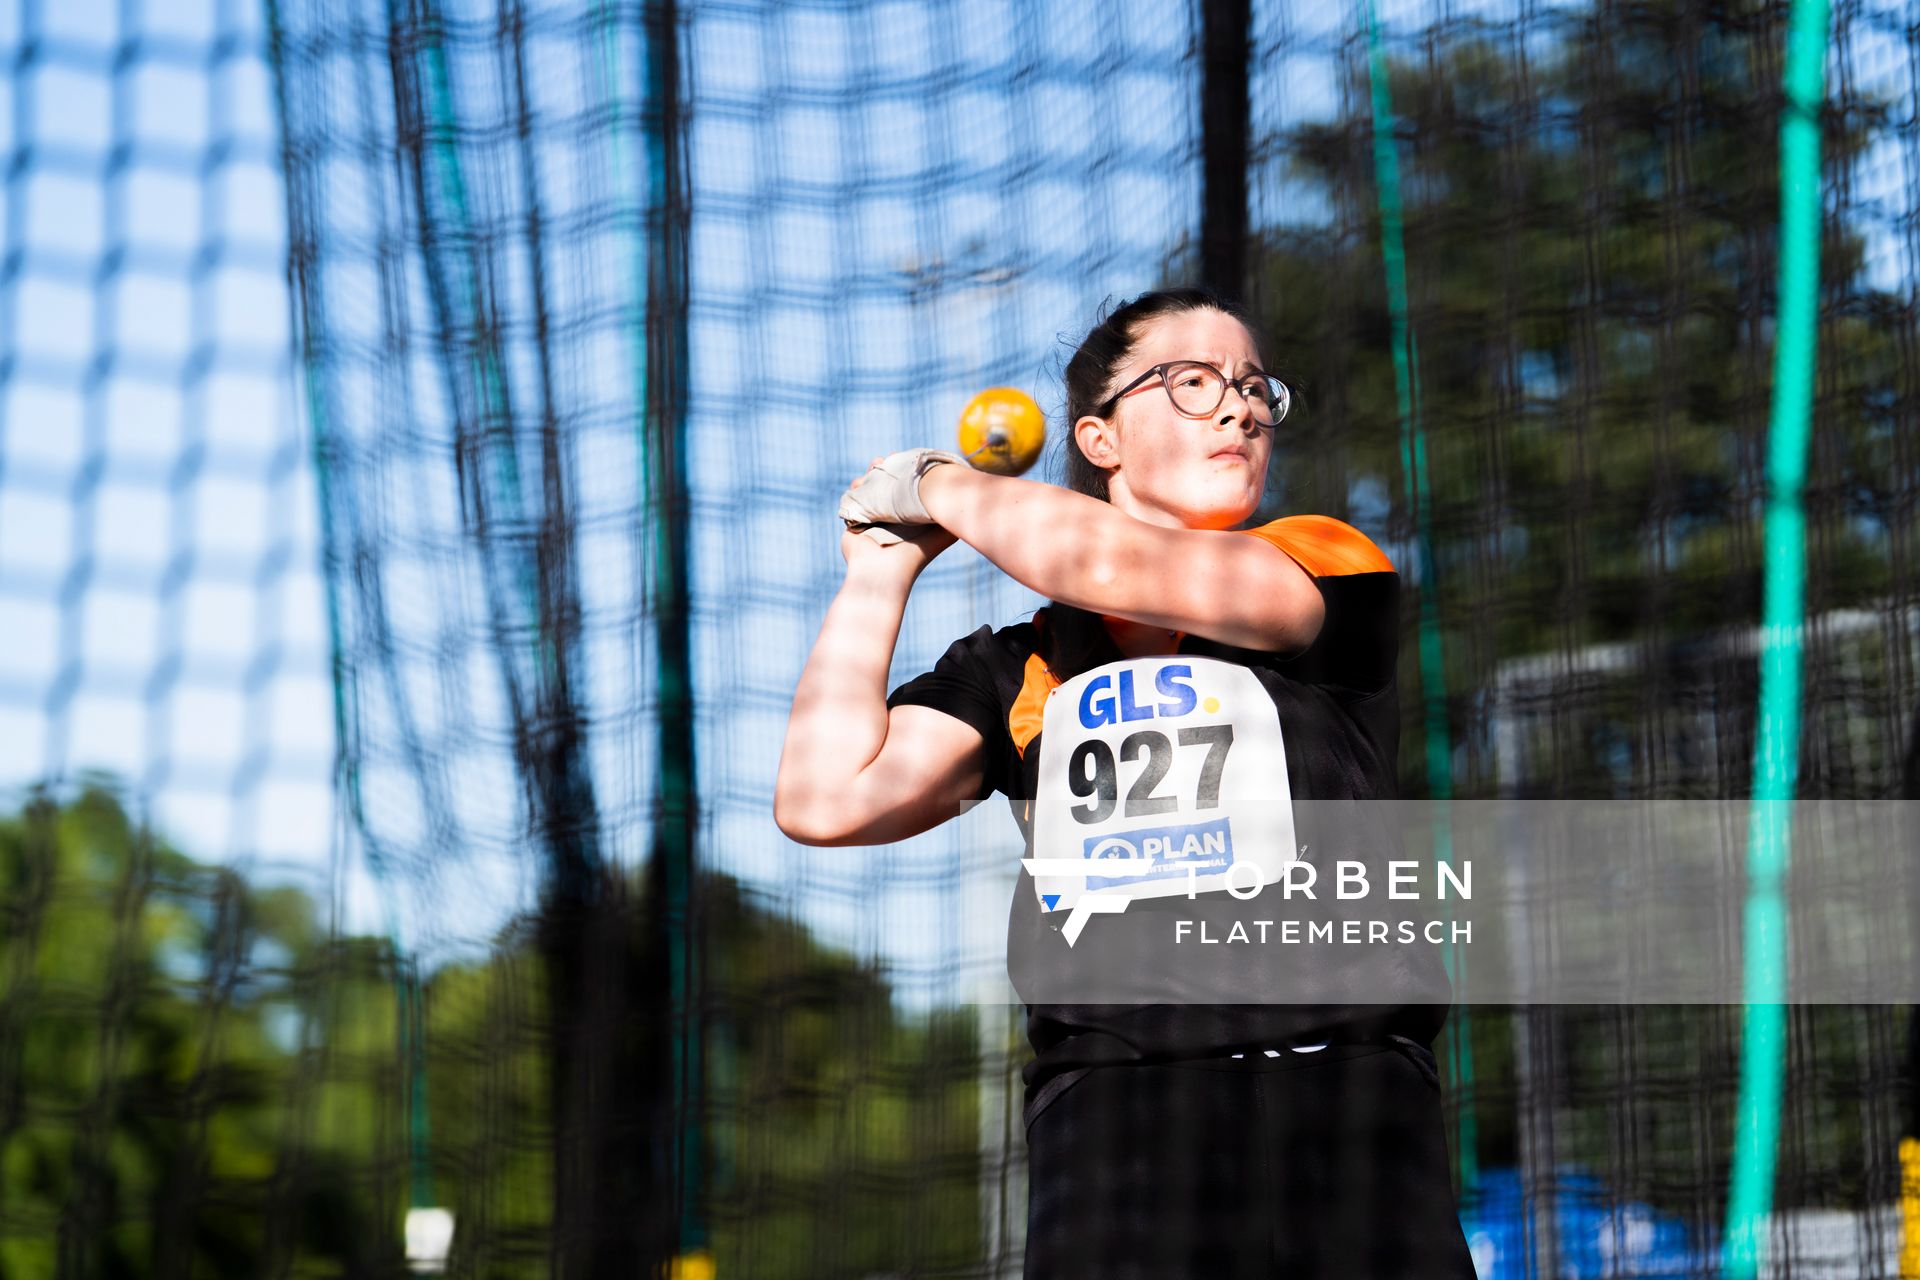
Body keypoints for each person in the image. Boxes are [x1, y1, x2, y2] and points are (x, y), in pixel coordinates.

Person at [775, 288, 1475, 1277]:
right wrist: (878, 570)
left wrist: (939, 481)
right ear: (1099, 438)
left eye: (1253, 387)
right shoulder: (1014, 665)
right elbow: (822, 795)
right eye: (1193, 381)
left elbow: (1098, 557)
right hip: (1118, 1135)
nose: (1238, 406)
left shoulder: (1320, 562)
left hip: (1350, 1115)